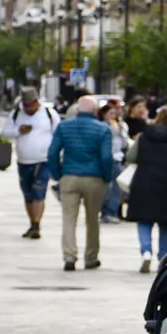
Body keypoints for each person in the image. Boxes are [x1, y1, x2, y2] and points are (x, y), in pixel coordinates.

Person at [46, 95, 115, 272]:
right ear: (95, 111)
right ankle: (91, 257)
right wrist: (107, 177)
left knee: (69, 218)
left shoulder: (64, 127)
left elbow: (53, 152)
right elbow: (106, 157)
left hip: (69, 175)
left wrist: (57, 174)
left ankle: (69, 256)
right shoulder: (103, 129)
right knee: (92, 219)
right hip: (94, 177)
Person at [126, 106, 167, 273]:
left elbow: (130, 157)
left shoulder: (144, 136)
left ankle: (146, 251)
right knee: (166, 223)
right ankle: (164, 257)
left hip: (144, 183)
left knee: (144, 220)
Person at [1, 86, 59, 239]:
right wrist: (19, 131)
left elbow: (58, 134)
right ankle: (32, 222)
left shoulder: (48, 114)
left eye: (31, 105)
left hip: (43, 160)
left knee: (38, 191)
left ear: (37, 102)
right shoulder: (16, 114)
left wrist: (58, 155)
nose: (29, 108)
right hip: (23, 161)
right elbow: (5, 133)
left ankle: (36, 225)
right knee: (28, 194)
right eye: (25, 105)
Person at [98, 101, 130, 223]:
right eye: (110, 113)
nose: (113, 115)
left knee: (119, 187)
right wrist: (114, 129)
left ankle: (113, 210)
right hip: (107, 158)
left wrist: (121, 131)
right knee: (108, 187)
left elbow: (124, 144)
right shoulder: (102, 126)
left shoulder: (121, 125)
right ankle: (107, 211)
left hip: (117, 158)